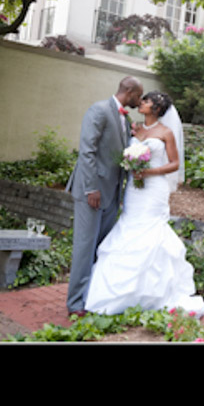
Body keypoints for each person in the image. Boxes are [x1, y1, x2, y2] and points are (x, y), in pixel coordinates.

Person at [84, 91, 204, 317]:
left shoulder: (166, 132)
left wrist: (149, 172)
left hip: (154, 189)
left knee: (150, 230)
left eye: (146, 101)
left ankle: (152, 292)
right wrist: (131, 163)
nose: (141, 103)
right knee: (129, 225)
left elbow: (175, 164)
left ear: (157, 108)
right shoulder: (136, 129)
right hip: (134, 189)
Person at [66, 77, 143, 317]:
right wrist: (91, 188)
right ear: (129, 91)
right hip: (92, 192)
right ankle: (75, 303)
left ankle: (92, 297)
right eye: (138, 95)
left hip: (112, 193)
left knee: (101, 247)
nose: (140, 100)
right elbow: (87, 150)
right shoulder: (98, 110)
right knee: (85, 247)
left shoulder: (125, 119)